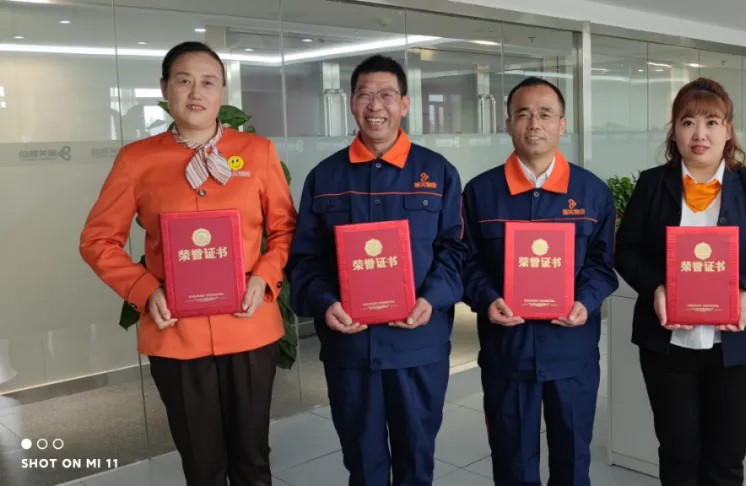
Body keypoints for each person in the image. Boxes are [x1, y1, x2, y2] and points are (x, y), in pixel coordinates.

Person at [79, 41, 296, 485]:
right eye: (184, 81)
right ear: (165, 89)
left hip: (249, 327)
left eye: (208, 82)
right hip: (177, 334)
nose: (196, 92)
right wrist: (144, 290)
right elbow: (98, 240)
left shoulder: (257, 152)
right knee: (202, 465)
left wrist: (265, 276)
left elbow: (285, 229)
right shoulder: (137, 160)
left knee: (253, 460)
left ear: (222, 92)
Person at [286, 54, 466, 486]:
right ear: (351, 103)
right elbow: (304, 259)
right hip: (351, 349)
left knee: (416, 462)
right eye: (364, 95)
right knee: (363, 465)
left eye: (386, 94)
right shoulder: (325, 177)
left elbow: (456, 251)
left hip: (418, 346)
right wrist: (325, 303)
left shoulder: (437, 172)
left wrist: (431, 298)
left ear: (404, 104)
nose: (375, 106)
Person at [614, 78, 746, 486]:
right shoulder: (652, 185)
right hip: (668, 346)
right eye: (688, 122)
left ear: (728, 131)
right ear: (674, 131)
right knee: (677, 455)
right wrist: (657, 287)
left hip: (736, 346)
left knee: (726, 458)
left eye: (712, 122)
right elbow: (625, 250)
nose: (700, 134)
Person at [461, 77, 618, 485]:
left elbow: (602, 264)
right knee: (512, 465)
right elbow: (467, 261)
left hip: (572, 354)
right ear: (508, 123)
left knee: (572, 463)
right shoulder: (480, 193)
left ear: (562, 124)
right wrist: (487, 298)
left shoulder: (591, 192)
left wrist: (586, 300)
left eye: (545, 114)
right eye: (523, 114)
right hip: (508, 355)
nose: (534, 123)